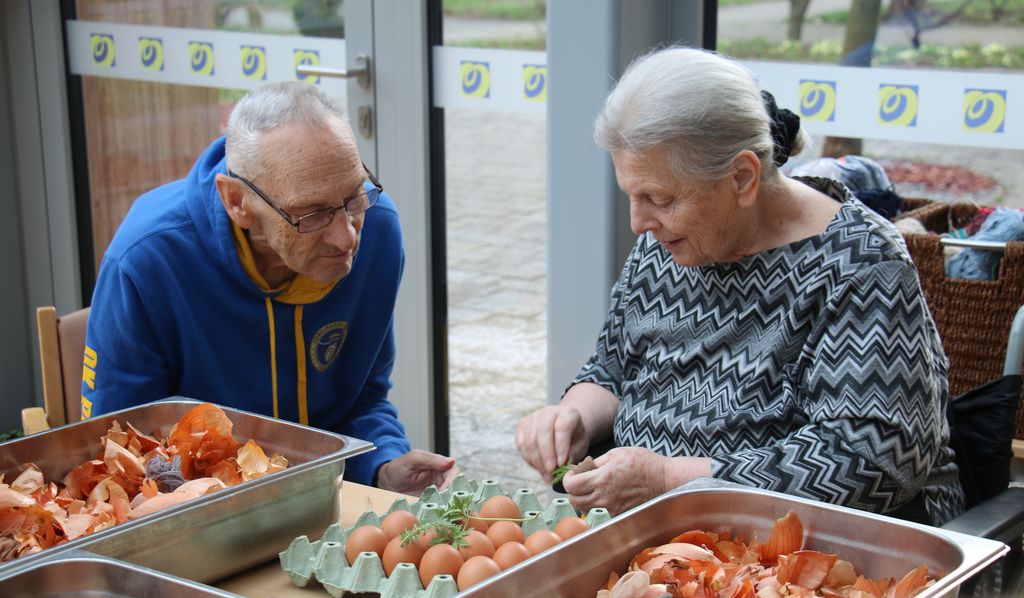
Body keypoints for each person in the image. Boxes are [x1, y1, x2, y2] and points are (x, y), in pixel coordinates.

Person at [515, 47, 965, 524]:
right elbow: (613, 368)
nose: (638, 222)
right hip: (662, 535)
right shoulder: (669, 242)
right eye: (632, 195)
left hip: (802, 548)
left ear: (743, 177)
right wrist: (574, 416)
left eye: (660, 198)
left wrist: (669, 480)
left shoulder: (861, 264)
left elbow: (874, 462)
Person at [82, 81, 457, 495]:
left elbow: (363, 397)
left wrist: (381, 464)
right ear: (236, 202)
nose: (347, 237)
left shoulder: (378, 230)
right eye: (311, 215)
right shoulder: (146, 260)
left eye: (354, 197)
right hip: (195, 506)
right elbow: (122, 451)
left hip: (327, 494)